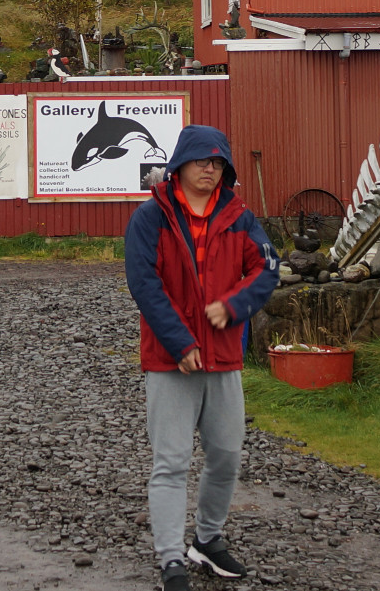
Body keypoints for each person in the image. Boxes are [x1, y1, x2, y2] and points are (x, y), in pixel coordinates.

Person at [125, 125, 279, 589]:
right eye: (201, 160)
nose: (210, 168)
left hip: (225, 358)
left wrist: (234, 307)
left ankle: (208, 541)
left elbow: (266, 269)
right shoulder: (150, 217)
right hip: (169, 361)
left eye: (218, 162)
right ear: (179, 165)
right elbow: (144, 285)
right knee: (171, 462)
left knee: (227, 456)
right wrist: (180, 343)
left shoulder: (240, 217)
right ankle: (171, 558)